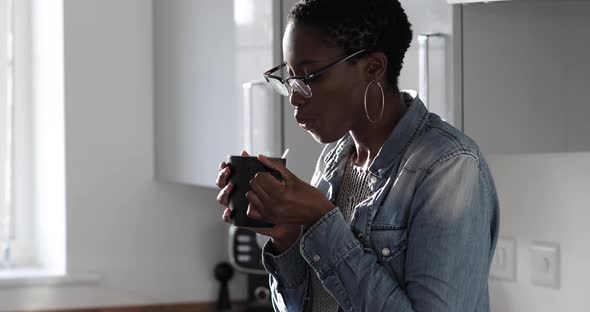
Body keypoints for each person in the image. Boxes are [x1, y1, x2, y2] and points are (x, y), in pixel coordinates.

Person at [216, 0, 499, 311]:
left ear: (373, 67)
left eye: (310, 77)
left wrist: (321, 219)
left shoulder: (448, 166)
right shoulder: (333, 161)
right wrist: (286, 238)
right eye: (291, 78)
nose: (295, 96)